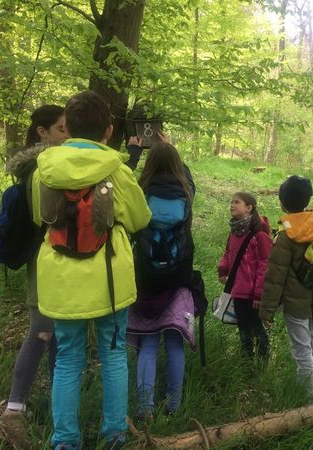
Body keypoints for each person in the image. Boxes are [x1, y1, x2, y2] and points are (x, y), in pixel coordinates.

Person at [33, 91, 151, 449]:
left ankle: (65, 441)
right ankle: (114, 435)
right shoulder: (119, 170)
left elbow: (43, 217)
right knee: (113, 353)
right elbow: (139, 219)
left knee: (68, 357)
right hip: (107, 281)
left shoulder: (46, 170)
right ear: (109, 130)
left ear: (67, 127)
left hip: (61, 280)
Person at [0, 105, 68, 448]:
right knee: (41, 332)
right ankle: (14, 409)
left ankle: (58, 409)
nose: (67, 136)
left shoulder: (47, 165)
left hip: (52, 263)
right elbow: (48, 220)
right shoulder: (41, 169)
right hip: (44, 264)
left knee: (55, 336)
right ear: (42, 133)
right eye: (60, 129)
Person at [126, 140, 196, 419]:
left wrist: (136, 153)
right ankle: (174, 405)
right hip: (179, 275)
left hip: (146, 275)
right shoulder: (187, 193)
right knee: (175, 340)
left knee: (148, 341)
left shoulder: (140, 191)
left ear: (150, 164)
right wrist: (171, 148)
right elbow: (187, 177)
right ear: (178, 164)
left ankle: (145, 408)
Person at [259, 176, 313, 395]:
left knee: (302, 349)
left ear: (282, 202)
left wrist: (267, 310)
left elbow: (275, 277)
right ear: (307, 200)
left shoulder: (286, 234)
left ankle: (308, 399)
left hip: (295, 305)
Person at [218, 192, 272, 359]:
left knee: (257, 328)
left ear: (249, 208)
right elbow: (228, 253)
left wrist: (258, 294)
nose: (232, 205)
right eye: (231, 202)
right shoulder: (234, 233)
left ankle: (262, 362)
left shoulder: (260, 236)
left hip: (252, 294)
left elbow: (265, 266)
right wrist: (223, 269)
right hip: (238, 290)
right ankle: (246, 361)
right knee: (243, 328)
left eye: (236, 202)